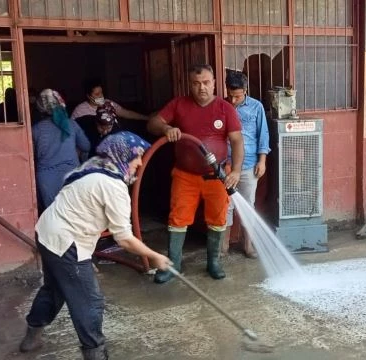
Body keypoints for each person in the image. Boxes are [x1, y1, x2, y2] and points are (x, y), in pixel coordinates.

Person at [19, 131, 171, 360]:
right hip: (66, 242)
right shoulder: (113, 186)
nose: (140, 162)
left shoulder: (96, 166)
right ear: (122, 155)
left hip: (48, 233)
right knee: (89, 301)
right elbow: (124, 238)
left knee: (55, 289)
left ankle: (31, 338)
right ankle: (95, 353)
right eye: (136, 156)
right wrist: (155, 256)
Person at [148, 64, 244, 284]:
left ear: (214, 83)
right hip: (185, 175)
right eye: (196, 83)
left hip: (217, 174)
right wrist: (166, 129)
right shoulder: (179, 104)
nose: (202, 87)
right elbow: (153, 122)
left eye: (206, 82)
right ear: (190, 84)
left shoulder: (225, 108)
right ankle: (173, 265)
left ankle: (214, 262)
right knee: (177, 219)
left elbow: (237, 141)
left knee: (217, 219)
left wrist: (236, 171)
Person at [223, 71, 270, 258]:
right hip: (225, 165)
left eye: (238, 96)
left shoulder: (256, 107)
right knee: (225, 207)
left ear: (246, 90)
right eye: (230, 95)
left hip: (249, 165)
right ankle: (223, 247)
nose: (233, 101)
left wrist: (262, 160)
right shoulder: (221, 106)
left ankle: (248, 246)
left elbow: (263, 134)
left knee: (247, 206)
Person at [32, 89, 90, 213]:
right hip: (73, 176)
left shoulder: (35, 129)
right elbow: (86, 146)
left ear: (40, 110)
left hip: (46, 180)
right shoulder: (71, 124)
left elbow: (30, 155)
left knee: (54, 216)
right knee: (75, 215)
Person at [70, 78, 149, 122]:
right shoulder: (79, 110)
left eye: (101, 93)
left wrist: (146, 118)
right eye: (97, 94)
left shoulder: (108, 103)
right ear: (89, 96)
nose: (101, 96)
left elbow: (127, 113)